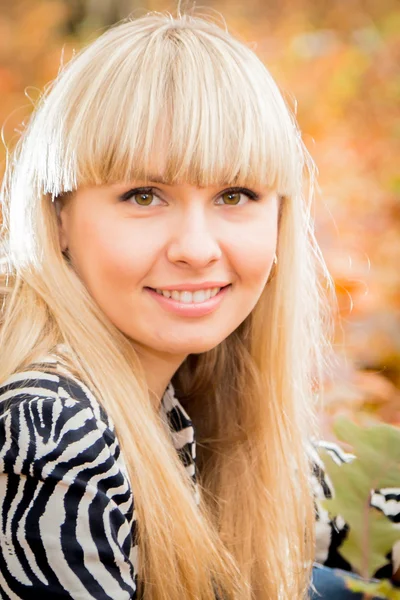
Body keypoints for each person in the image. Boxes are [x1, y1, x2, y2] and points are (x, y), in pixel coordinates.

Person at [0, 9, 396, 600]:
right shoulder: (50, 429)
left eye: (234, 195)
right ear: (59, 215)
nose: (195, 249)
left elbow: (350, 505)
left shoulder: (186, 390)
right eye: (144, 195)